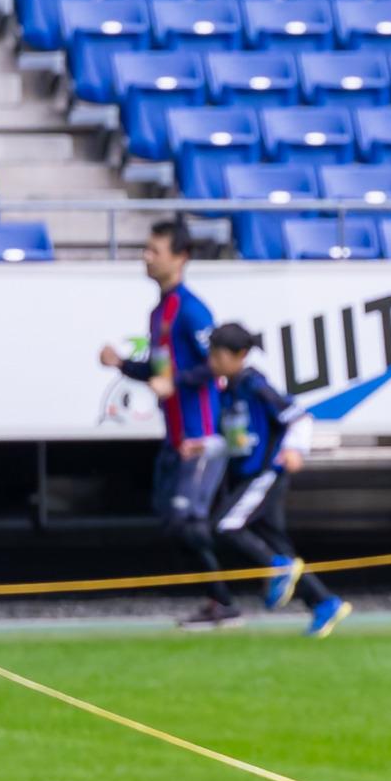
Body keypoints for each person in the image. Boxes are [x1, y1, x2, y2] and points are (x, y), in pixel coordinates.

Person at [97, 220, 229, 630]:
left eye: (155, 250)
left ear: (181, 257)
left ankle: (226, 600)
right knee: (169, 519)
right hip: (174, 437)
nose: (146, 256)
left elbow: (217, 365)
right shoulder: (160, 312)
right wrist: (121, 364)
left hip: (199, 436)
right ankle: (218, 599)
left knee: (187, 521)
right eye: (146, 249)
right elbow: (160, 372)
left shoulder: (191, 310)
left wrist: (176, 382)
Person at [199, 325, 353, 639]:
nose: (212, 361)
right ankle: (324, 602)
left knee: (226, 525)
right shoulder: (228, 392)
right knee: (277, 543)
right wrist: (203, 447)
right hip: (246, 474)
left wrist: (294, 449)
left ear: (240, 355)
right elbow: (235, 440)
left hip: (264, 474)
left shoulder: (255, 385)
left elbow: (299, 417)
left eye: (218, 355)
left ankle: (278, 568)